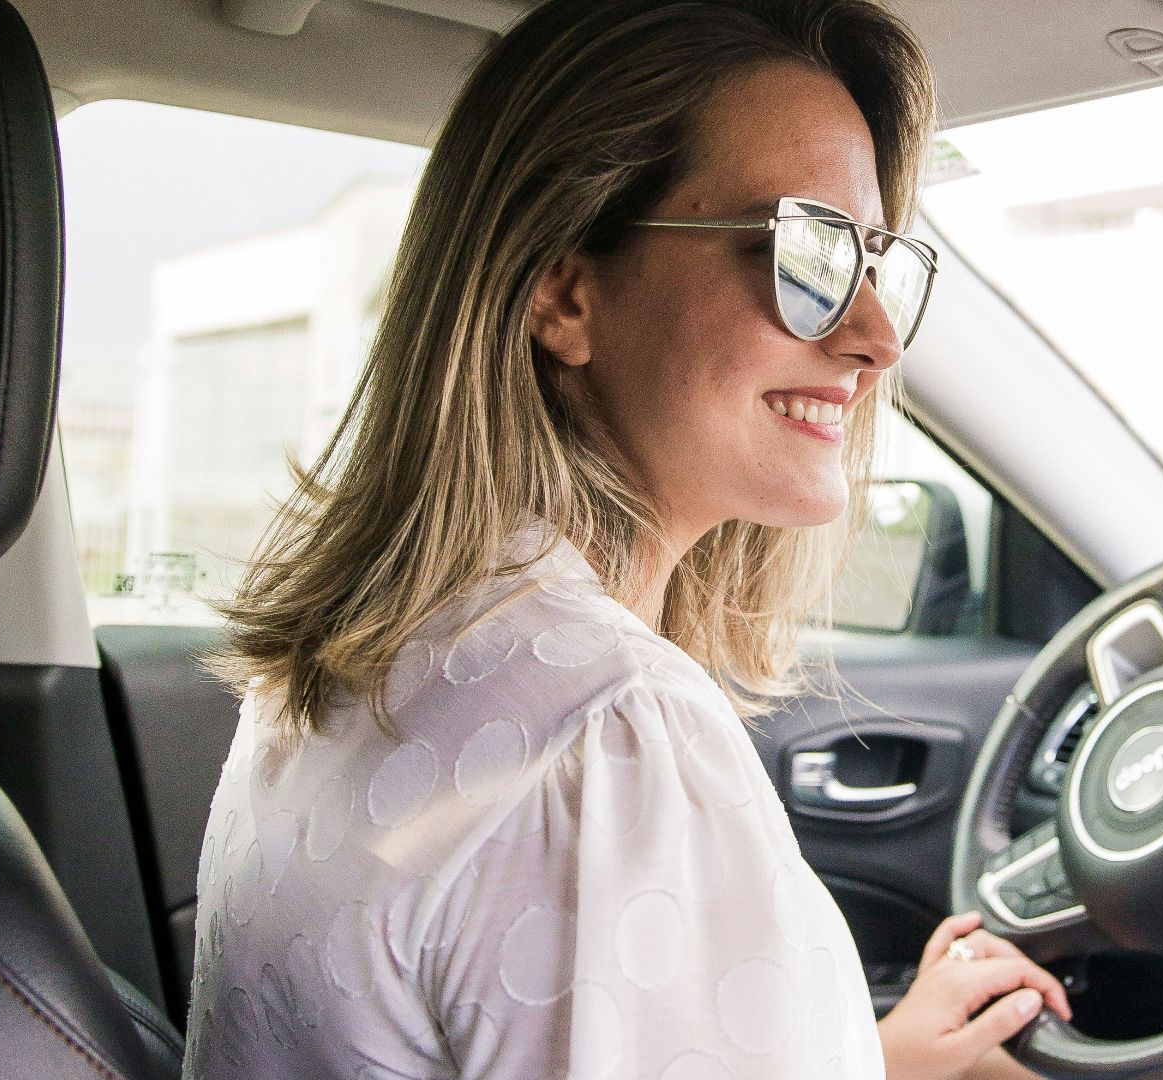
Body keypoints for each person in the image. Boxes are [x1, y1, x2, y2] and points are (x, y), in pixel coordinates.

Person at [183, 1, 1073, 1077]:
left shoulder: (354, 668)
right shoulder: (608, 739)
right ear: (564, 289)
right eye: (807, 252)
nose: (875, 337)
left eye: (873, 259)